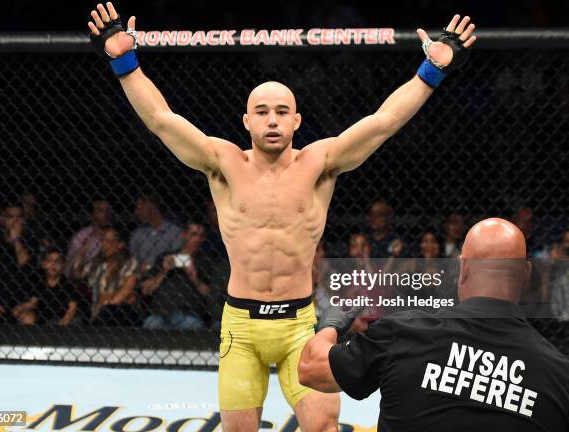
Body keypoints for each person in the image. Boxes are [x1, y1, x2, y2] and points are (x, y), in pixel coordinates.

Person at [87, 5, 476, 430]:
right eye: (262, 111)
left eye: (281, 111)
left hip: (299, 325)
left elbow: (383, 122)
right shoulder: (222, 161)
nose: (272, 120)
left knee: (324, 426)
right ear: (246, 120)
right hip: (240, 325)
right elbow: (162, 120)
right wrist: (125, 64)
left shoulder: (321, 162)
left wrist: (431, 70)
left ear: (296, 120)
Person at [298, 218, 569, 431]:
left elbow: (311, 369)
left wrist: (330, 325)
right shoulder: (559, 375)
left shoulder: (405, 332)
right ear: (526, 274)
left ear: (462, 268)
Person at [140, 222, 213, 330]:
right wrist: (164, 271)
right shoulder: (166, 257)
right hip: (160, 313)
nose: (197, 239)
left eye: (201, 236)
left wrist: (193, 276)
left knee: (192, 326)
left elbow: (211, 296)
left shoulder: (206, 262)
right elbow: (145, 290)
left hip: (188, 315)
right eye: (193, 234)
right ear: (183, 235)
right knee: (151, 324)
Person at [73, 227, 139, 326]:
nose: (103, 245)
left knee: (108, 311)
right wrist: (82, 254)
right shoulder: (98, 262)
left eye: (108, 241)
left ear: (120, 244)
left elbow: (126, 291)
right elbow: (77, 275)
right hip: (98, 310)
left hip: (120, 310)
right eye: (103, 240)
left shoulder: (129, 262)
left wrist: (107, 302)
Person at [13, 247, 82, 326]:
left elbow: (72, 309)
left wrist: (62, 324)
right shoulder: (39, 281)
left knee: (76, 321)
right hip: (44, 317)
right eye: (49, 260)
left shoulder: (68, 284)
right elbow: (33, 302)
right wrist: (20, 307)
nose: (53, 263)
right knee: (27, 317)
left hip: (62, 318)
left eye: (58, 261)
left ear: (63, 265)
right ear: (43, 264)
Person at [129, 194, 182, 272]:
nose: (136, 211)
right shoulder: (136, 235)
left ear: (150, 204)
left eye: (139, 206)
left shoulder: (174, 231)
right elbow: (132, 262)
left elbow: (177, 258)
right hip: (140, 277)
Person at [64, 199, 112, 279]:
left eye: (108, 210)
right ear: (92, 215)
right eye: (101, 210)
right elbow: (69, 271)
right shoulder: (81, 237)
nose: (106, 214)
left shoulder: (117, 236)